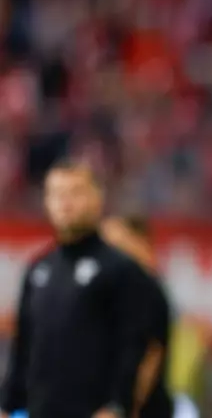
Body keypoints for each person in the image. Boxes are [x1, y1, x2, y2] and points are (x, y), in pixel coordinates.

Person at [0, 160, 154, 418]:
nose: (66, 202)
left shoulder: (122, 270)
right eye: (57, 194)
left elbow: (133, 347)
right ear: (47, 202)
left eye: (76, 192)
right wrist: (6, 404)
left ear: (98, 198)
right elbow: (23, 346)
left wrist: (117, 405)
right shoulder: (38, 269)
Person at [101, 215, 175, 418]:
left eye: (117, 244)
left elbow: (151, 354)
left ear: (139, 241)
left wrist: (130, 405)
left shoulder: (146, 289)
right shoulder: (124, 289)